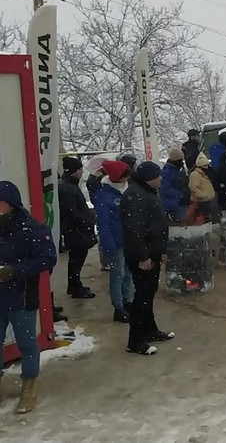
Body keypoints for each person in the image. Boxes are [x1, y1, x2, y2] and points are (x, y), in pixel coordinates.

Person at [0, 181, 57, 414]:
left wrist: (14, 270)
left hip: (22, 296)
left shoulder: (32, 229)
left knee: (27, 344)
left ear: (10, 204)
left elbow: (47, 259)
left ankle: (29, 386)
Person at [119, 161, 175, 356]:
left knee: (149, 293)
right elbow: (133, 230)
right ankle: (135, 340)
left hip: (153, 251)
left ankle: (150, 329)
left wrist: (161, 250)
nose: (161, 178)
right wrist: (143, 256)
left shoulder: (146, 192)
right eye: (158, 175)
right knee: (142, 296)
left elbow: (156, 224)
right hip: (142, 255)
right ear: (149, 178)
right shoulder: (134, 196)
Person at [93, 160, 134, 323]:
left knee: (128, 272)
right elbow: (104, 224)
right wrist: (108, 245)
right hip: (116, 241)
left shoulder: (127, 189)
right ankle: (118, 307)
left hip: (130, 240)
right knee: (118, 274)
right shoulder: (104, 195)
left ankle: (128, 301)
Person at [58, 156, 97, 299]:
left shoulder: (68, 185)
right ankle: (75, 286)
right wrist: (90, 218)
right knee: (76, 260)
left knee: (76, 259)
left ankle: (74, 284)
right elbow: (73, 212)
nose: (82, 172)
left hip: (74, 229)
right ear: (74, 171)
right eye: (80, 169)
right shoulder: (67, 188)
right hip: (75, 231)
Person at [160, 148, 190, 223]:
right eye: (181, 160)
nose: (182, 162)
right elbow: (165, 189)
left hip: (178, 202)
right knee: (179, 224)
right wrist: (180, 195)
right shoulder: (167, 172)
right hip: (174, 204)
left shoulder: (177, 170)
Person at [188, 153, 216, 223]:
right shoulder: (195, 175)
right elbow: (193, 188)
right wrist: (203, 195)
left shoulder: (202, 174)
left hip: (206, 202)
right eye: (205, 166)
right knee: (203, 220)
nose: (206, 167)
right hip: (201, 203)